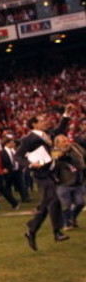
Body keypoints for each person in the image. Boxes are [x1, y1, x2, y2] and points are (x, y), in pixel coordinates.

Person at [16, 104, 74, 250]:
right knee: (53, 200)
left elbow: (60, 129)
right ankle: (53, 231)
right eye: (42, 120)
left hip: (51, 172)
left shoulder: (47, 134)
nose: (46, 121)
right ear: (34, 124)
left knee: (51, 203)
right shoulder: (28, 139)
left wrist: (66, 114)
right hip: (41, 174)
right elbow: (18, 156)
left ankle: (35, 229)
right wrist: (30, 164)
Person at [52, 134, 85, 229]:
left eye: (67, 140)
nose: (67, 143)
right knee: (66, 205)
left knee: (80, 203)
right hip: (63, 182)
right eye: (63, 142)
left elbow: (82, 159)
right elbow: (54, 163)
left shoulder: (75, 148)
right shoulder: (54, 152)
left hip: (78, 180)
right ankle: (67, 223)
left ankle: (72, 217)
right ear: (57, 144)